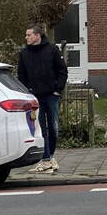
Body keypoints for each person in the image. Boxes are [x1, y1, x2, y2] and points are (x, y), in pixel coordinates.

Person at [18, 24, 68, 174]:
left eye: (29, 35)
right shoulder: (24, 53)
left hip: (51, 95)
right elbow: (21, 75)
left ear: (37, 35)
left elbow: (62, 70)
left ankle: (50, 156)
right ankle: (45, 159)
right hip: (35, 97)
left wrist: (58, 89)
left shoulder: (52, 50)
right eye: (26, 35)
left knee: (54, 127)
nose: (26, 38)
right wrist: (28, 92)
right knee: (41, 128)